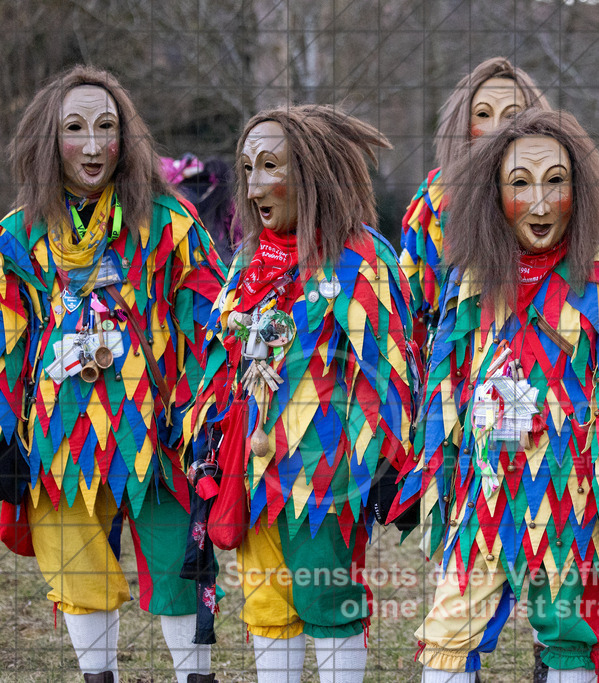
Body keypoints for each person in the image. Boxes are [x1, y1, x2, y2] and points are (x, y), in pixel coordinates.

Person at [394, 108, 599, 683]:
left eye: (556, 182)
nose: (539, 201)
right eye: (520, 183)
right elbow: (446, 386)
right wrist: (435, 473)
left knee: (567, 630)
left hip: (573, 494)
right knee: (449, 628)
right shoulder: (471, 277)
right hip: (485, 490)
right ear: (493, 193)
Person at [0, 65, 224, 683]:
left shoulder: (170, 222)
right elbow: (6, 340)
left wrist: (198, 412)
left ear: (127, 139)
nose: (94, 145)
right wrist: (1, 430)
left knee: (177, 557)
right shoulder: (16, 238)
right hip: (57, 435)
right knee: (75, 563)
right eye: (76, 129)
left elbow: (205, 320)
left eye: (107, 127)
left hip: (157, 435)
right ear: (50, 139)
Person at [185, 104, 416, 683]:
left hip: (322, 477)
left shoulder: (362, 259)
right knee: (266, 605)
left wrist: (365, 465)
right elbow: (223, 362)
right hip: (249, 466)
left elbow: (387, 375)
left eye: (271, 165)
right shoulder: (245, 262)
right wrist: (208, 435)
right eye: (247, 169)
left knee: (327, 602)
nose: (256, 184)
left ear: (311, 171)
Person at [399, 56, 550, 348]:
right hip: (451, 368)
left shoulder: (554, 198)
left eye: (511, 115)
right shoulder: (435, 197)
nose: (496, 127)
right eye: (483, 113)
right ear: (463, 122)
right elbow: (410, 304)